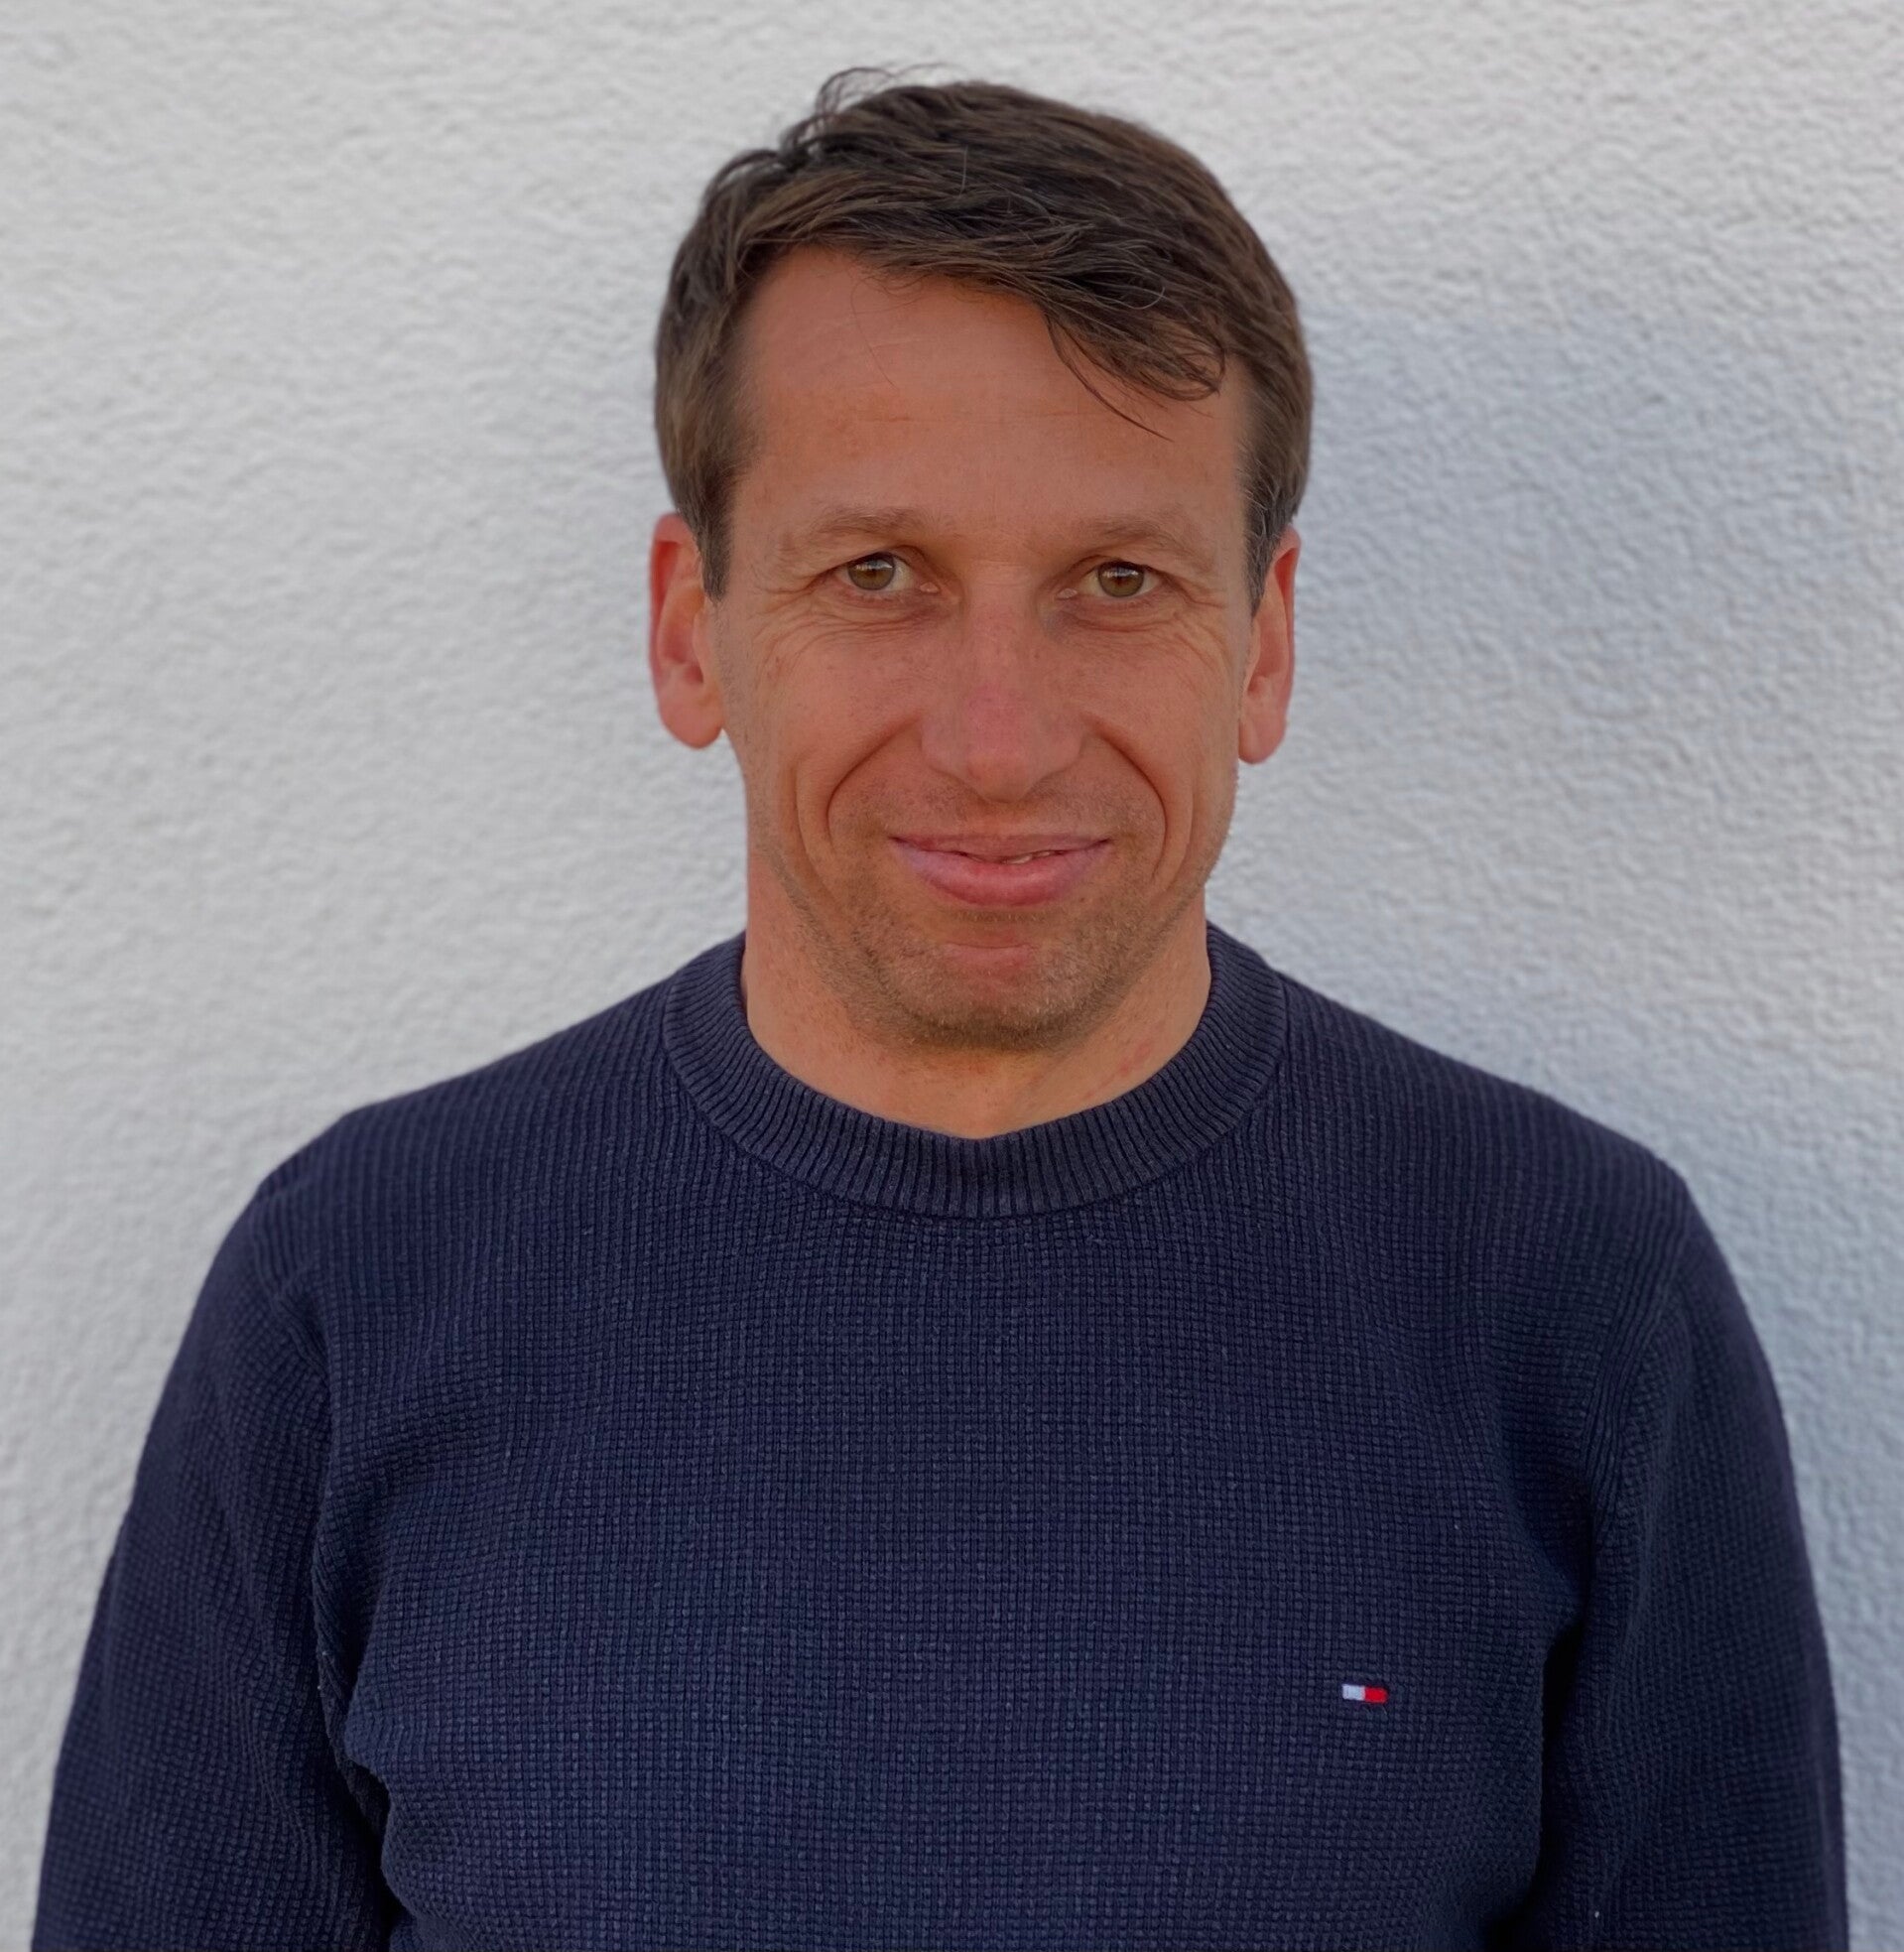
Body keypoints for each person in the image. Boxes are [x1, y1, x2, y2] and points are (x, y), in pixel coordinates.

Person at [33, 66, 1846, 1951]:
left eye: (1119, 580)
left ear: (1265, 642)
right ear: (690, 628)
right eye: (879, 573)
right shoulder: (357, 1291)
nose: (999, 741)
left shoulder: (1573, 1298)